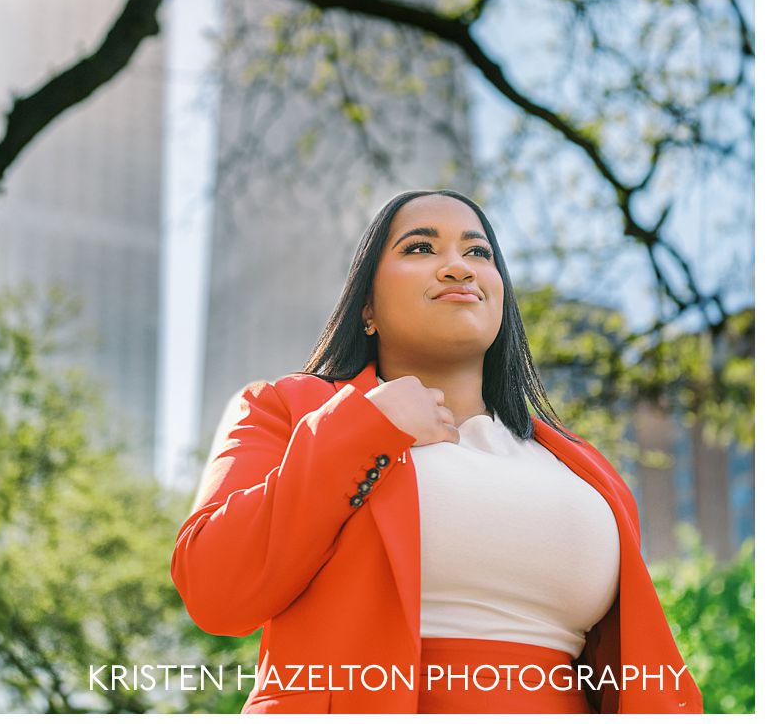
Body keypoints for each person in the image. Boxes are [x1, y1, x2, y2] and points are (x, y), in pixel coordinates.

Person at [172, 189, 701, 713]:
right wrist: (366, 426)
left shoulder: (586, 471)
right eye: (420, 248)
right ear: (367, 309)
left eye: (478, 252)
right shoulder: (285, 409)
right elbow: (216, 588)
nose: (458, 267)